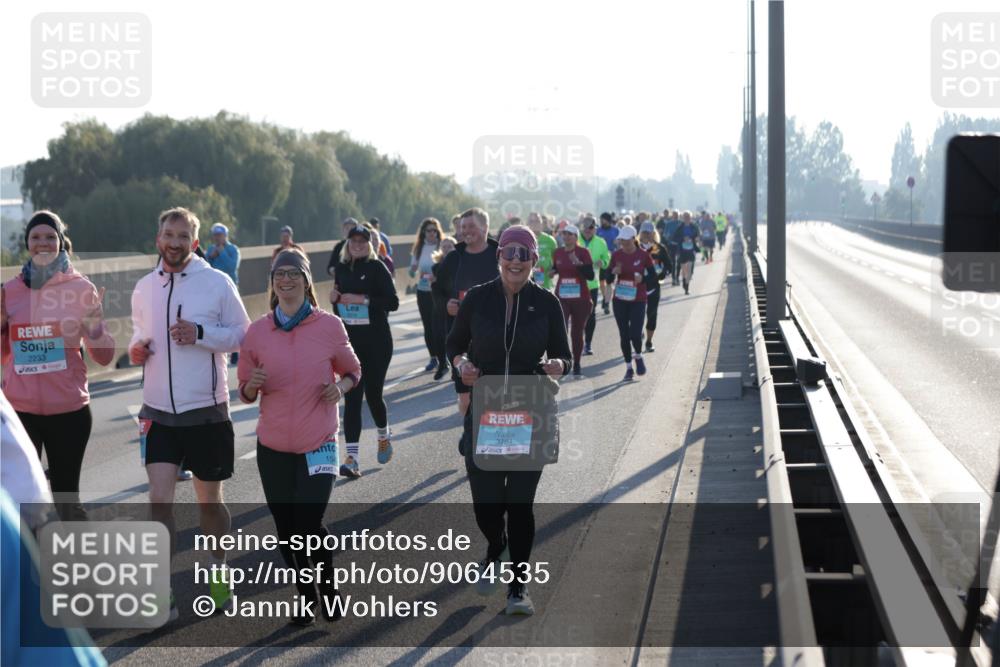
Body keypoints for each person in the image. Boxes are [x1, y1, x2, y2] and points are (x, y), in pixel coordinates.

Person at [129, 207, 251, 620]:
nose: (175, 242)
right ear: (158, 238)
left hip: (205, 411)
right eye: (168, 234)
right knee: (159, 501)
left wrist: (200, 335)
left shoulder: (217, 283)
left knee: (208, 503)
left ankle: (219, 569)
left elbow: (244, 335)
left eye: (183, 236)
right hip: (157, 412)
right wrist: (136, 349)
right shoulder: (145, 287)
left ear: (195, 243)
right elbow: (136, 333)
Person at [446, 225, 571, 616]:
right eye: (510, 253)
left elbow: (565, 356)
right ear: (499, 257)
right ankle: (495, 548)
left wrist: (557, 365)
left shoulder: (547, 303)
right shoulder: (479, 300)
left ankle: (518, 587)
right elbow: (453, 344)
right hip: (484, 411)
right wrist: (462, 364)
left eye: (524, 254)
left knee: (519, 505)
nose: (516, 260)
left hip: (530, 411)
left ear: (535, 260)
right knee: (486, 506)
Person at [238, 249, 360, 626]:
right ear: (272, 282)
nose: (285, 280)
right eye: (279, 274)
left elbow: (354, 371)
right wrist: (250, 386)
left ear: (307, 281)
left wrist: (339, 388)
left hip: (318, 442)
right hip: (272, 447)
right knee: (286, 533)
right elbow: (243, 389)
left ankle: (328, 588)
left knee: (309, 524)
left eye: (293, 273)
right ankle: (307, 598)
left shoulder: (329, 327)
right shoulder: (257, 332)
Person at [1, 211, 115, 521]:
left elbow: (105, 357)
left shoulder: (81, 288)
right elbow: (3, 357)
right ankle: (28, 568)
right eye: (36, 237)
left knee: (67, 502)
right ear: (27, 243)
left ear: (61, 243)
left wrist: (94, 330)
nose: (43, 243)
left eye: (50, 237)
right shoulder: (8, 291)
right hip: (20, 412)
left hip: (69, 412)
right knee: (21, 506)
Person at [329, 224, 399, 478]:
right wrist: (335, 300)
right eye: (353, 241)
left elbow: (393, 302)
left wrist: (364, 300)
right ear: (347, 243)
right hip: (351, 344)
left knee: (373, 394)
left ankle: (383, 435)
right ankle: (353, 458)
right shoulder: (341, 269)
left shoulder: (376, 267)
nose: (357, 245)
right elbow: (340, 314)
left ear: (369, 244)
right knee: (352, 398)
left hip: (378, 342)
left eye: (362, 241)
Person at [432, 207, 500, 416]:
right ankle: (472, 436)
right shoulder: (454, 258)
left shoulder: (500, 254)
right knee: (465, 396)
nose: (465, 231)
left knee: (495, 393)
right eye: (463, 227)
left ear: (485, 227)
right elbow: (437, 289)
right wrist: (445, 305)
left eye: (471, 226)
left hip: (495, 335)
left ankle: (495, 439)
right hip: (461, 337)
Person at [609, 225, 656, 381]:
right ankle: (629, 368)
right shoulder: (616, 255)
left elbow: (654, 278)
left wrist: (643, 279)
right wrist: (613, 272)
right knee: (624, 335)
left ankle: (638, 355)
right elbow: (608, 278)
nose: (623, 243)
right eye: (621, 240)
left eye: (626, 241)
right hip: (620, 299)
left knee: (635, 333)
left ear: (633, 239)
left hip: (638, 299)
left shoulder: (643, 256)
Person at [550, 224, 594, 376]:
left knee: (577, 333)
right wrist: (552, 271)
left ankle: (577, 362)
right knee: (561, 329)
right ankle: (562, 362)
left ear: (576, 237)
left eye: (570, 234)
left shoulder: (583, 252)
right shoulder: (558, 252)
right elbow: (556, 267)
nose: (566, 237)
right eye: (564, 234)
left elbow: (590, 275)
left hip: (581, 298)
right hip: (562, 297)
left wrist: (578, 263)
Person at [410, 218, 446, 373]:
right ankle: (433, 358)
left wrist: (436, 276)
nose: (432, 233)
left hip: (439, 291)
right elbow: (411, 272)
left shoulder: (443, 246)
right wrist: (413, 270)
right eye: (429, 230)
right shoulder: (419, 249)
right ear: (424, 232)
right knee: (428, 326)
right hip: (423, 291)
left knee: (440, 325)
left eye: (434, 230)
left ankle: (444, 357)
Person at [205, 223, 242, 365]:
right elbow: (205, 268)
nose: (217, 238)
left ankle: (235, 352)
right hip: (213, 290)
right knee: (215, 320)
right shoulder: (210, 250)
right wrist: (211, 257)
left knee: (232, 321)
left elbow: (232, 266)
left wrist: (222, 253)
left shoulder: (233, 249)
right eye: (215, 235)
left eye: (220, 235)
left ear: (225, 236)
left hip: (230, 289)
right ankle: (218, 351)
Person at [578, 215, 610, 356]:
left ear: (595, 229)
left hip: (592, 284)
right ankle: (577, 342)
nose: (588, 230)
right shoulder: (575, 240)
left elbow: (606, 259)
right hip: (575, 285)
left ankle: (588, 343)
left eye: (591, 227)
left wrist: (601, 263)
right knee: (578, 316)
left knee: (591, 315)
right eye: (585, 227)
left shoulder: (600, 242)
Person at [638, 222, 671, 353]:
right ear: (640, 233)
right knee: (637, 314)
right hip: (637, 287)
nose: (646, 235)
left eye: (649, 232)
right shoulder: (634, 247)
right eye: (644, 232)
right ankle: (638, 331)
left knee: (652, 315)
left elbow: (669, 265)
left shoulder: (659, 248)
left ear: (653, 234)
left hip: (653, 286)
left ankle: (649, 341)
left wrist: (663, 273)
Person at [429, 235, 457, 381]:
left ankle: (455, 367)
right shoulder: (435, 267)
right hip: (440, 305)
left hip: (456, 305)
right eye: (444, 247)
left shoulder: (460, 263)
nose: (446, 249)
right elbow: (435, 287)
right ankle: (442, 364)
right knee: (438, 335)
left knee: (454, 337)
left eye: (449, 246)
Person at [596, 212, 620, 314]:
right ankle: (605, 296)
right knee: (601, 282)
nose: (602, 221)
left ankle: (606, 303)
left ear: (609, 220)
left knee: (609, 282)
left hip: (612, 259)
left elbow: (620, 244)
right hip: (601, 260)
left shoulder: (616, 230)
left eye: (604, 219)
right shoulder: (598, 231)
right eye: (601, 219)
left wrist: (617, 243)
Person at [526, 212, 556, 289]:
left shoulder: (550, 240)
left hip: (545, 285)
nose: (535, 223)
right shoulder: (523, 239)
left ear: (542, 223)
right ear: (527, 223)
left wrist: (553, 270)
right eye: (532, 221)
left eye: (537, 221)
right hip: (526, 284)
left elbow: (556, 260)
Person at [662, 210, 682, 286]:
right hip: (671, 245)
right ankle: (673, 278)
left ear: (679, 215)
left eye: (677, 214)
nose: (676, 216)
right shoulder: (669, 224)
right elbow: (665, 234)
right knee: (673, 262)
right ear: (672, 215)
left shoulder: (681, 223)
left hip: (680, 245)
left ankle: (677, 277)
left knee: (679, 262)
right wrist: (668, 238)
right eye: (674, 214)